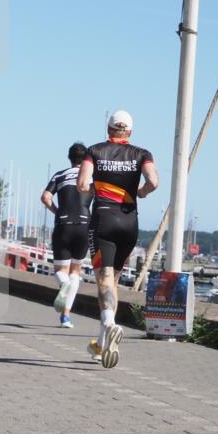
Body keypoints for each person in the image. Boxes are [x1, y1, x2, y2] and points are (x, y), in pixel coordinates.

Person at [77, 110, 158, 368]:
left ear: (108, 129)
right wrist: (141, 193)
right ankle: (102, 345)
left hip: (103, 220)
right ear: (129, 132)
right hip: (129, 222)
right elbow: (154, 181)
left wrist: (95, 191)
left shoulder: (95, 151)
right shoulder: (142, 153)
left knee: (103, 278)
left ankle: (110, 324)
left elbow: (81, 183)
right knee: (115, 280)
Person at [41, 143, 92, 328]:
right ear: (85, 159)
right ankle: (66, 317)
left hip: (63, 224)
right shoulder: (91, 177)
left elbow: (45, 197)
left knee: (61, 273)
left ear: (69, 157)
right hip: (84, 225)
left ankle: (64, 290)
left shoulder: (59, 175)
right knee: (75, 273)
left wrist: (57, 212)